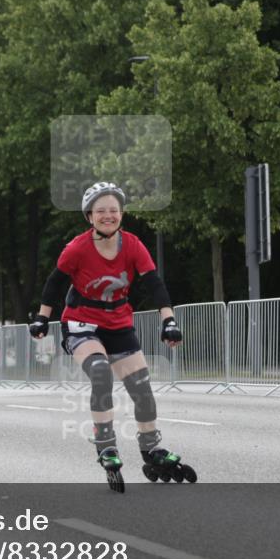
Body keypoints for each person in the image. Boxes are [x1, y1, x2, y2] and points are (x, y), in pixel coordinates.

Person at [29, 182, 196, 492]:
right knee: (101, 373)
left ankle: (151, 449)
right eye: (101, 211)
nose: (108, 215)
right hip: (81, 322)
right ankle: (106, 445)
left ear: (121, 214)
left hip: (118, 322)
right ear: (90, 216)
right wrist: (42, 316)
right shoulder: (77, 248)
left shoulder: (132, 245)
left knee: (141, 388)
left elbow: (155, 285)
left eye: (114, 210)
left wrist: (169, 321)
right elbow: (55, 283)